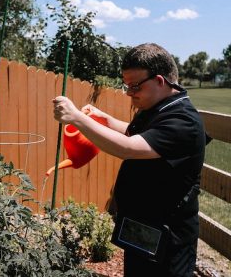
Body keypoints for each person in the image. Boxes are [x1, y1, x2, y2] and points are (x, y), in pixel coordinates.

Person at [53, 43, 208, 276]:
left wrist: (76, 118)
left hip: (168, 237)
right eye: (126, 86)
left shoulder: (183, 121)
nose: (128, 93)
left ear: (159, 81)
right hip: (145, 227)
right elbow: (141, 136)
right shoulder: (157, 107)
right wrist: (104, 119)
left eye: (135, 86)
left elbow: (128, 147)